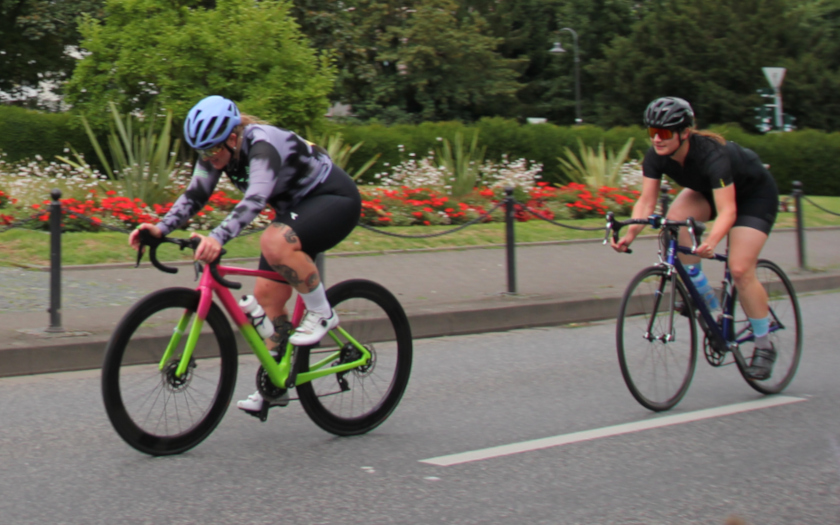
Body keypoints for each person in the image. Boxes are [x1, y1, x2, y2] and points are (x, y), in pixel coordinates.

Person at [129, 95, 362, 413]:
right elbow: (196, 194)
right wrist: (159, 229)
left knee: (273, 241)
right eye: (201, 152)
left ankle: (321, 312)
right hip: (294, 211)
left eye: (212, 151)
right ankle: (276, 381)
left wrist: (217, 238)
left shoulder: (262, 145)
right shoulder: (216, 151)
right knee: (267, 298)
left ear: (233, 138)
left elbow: (255, 199)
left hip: (334, 200)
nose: (208, 159)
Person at [610, 96, 780, 380]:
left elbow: (728, 211)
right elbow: (646, 202)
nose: (657, 140)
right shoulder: (656, 156)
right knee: (673, 226)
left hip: (753, 197)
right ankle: (704, 300)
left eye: (664, 133)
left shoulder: (714, 155)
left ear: (684, 133)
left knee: (739, 269)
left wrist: (711, 240)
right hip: (707, 192)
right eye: (652, 133)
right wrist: (630, 234)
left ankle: (764, 345)